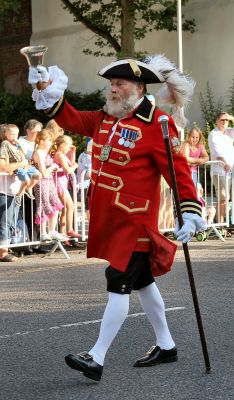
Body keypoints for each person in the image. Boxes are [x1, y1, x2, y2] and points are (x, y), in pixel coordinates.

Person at [28, 55, 205, 382]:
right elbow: (68, 118)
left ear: (138, 88)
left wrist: (191, 208)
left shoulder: (157, 126)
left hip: (136, 224)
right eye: (111, 84)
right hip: (112, 220)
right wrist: (46, 88)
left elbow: (178, 172)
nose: (113, 89)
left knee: (118, 282)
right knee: (142, 283)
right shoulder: (103, 118)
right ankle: (166, 345)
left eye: (119, 84)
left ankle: (96, 357)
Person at [32, 129, 66, 241]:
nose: (51, 143)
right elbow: (43, 172)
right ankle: (43, 232)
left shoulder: (45, 153)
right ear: (41, 141)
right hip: (42, 182)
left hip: (49, 181)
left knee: (55, 203)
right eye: (49, 140)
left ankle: (51, 231)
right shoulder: (38, 153)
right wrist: (53, 167)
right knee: (44, 204)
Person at [0, 124, 26, 262]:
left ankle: (6, 248)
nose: (14, 137)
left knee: (11, 221)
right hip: (4, 190)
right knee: (5, 221)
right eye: (11, 134)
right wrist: (21, 164)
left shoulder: (14, 147)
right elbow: (4, 167)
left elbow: (24, 159)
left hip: (14, 190)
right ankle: (3, 252)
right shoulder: (3, 147)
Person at [0, 124, 41, 206]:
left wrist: (19, 142)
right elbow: (4, 162)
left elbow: (25, 152)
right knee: (27, 180)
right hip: (17, 166)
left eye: (16, 134)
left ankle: (28, 188)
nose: (14, 136)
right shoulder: (5, 143)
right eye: (12, 134)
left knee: (38, 175)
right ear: (6, 134)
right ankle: (19, 195)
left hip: (24, 165)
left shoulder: (17, 143)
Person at [208, 112, 234, 223]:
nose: (224, 122)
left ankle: (225, 222)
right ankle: (220, 222)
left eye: (226, 120)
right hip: (219, 171)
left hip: (230, 171)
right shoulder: (213, 134)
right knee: (223, 197)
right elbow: (217, 153)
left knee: (228, 198)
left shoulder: (229, 132)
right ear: (216, 122)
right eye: (222, 120)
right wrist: (225, 163)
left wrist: (231, 117)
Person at [52, 134, 80, 239]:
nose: (69, 149)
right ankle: (70, 230)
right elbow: (68, 169)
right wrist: (76, 166)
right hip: (59, 183)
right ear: (62, 145)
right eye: (68, 146)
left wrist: (73, 152)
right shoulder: (59, 154)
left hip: (63, 183)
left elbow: (70, 163)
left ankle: (64, 233)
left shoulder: (63, 154)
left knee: (65, 209)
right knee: (70, 206)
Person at [77, 138, 92, 222]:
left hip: (82, 184)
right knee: (89, 207)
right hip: (86, 184)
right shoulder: (89, 158)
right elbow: (89, 174)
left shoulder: (82, 155)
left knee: (88, 207)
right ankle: (90, 225)